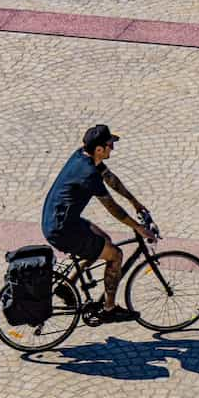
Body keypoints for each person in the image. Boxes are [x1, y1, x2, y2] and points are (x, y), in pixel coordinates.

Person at [42, 124, 155, 323]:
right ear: (99, 149)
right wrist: (138, 228)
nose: (113, 148)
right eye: (111, 145)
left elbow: (110, 178)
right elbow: (112, 207)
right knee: (115, 255)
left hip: (60, 220)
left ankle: (68, 284)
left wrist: (135, 202)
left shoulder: (83, 156)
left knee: (104, 240)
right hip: (63, 230)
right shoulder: (88, 174)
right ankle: (109, 309)